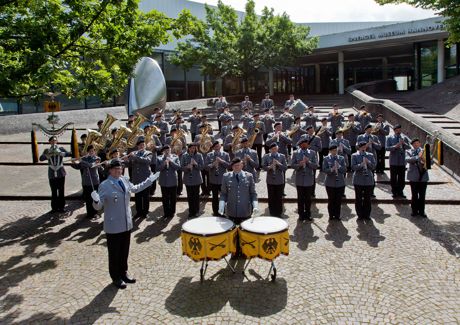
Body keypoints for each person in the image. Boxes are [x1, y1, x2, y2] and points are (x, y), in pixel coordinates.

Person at [91, 159, 158, 289]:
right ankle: (115, 277)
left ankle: (124, 273)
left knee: (124, 251)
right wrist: (95, 200)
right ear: (110, 170)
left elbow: (136, 188)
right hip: (114, 225)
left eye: (120, 168)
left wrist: (150, 180)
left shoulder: (124, 180)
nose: (119, 170)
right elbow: (98, 206)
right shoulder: (105, 185)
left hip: (126, 223)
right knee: (114, 252)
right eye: (116, 169)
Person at [219, 158, 259, 225]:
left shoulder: (249, 176)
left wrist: (255, 206)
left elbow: (253, 194)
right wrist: (221, 205)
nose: (237, 167)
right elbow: (223, 194)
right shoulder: (226, 176)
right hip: (231, 211)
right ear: (232, 166)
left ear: (242, 165)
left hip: (245, 210)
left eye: (239, 165)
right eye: (235, 165)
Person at [39, 136, 72, 213]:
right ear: (49, 142)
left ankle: (61, 207)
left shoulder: (60, 148)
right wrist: (48, 155)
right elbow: (41, 158)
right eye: (52, 141)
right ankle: (54, 208)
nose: (54, 142)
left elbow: (70, 154)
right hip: (52, 173)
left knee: (61, 190)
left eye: (55, 141)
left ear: (57, 141)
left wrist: (61, 153)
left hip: (60, 172)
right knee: (53, 191)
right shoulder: (47, 150)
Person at [71, 144, 103, 219]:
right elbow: (78, 167)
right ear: (88, 152)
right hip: (86, 181)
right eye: (90, 151)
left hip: (94, 181)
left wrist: (82, 161)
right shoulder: (84, 159)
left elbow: (91, 165)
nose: (92, 152)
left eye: (93, 151)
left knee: (95, 198)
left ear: (95, 151)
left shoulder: (97, 158)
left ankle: (95, 213)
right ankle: (89, 213)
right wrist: (73, 162)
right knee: (88, 198)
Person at [124, 137, 152, 218]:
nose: (141, 146)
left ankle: (145, 212)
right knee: (138, 196)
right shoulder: (134, 153)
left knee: (146, 196)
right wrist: (126, 160)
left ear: (145, 146)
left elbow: (147, 161)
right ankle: (138, 212)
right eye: (140, 145)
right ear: (137, 146)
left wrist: (135, 157)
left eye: (143, 145)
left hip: (145, 178)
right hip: (136, 178)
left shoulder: (148, 153)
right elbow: (129, 165)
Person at [291, 138, 318, 221]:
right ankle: (301, 214)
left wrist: (308, 162)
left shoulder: (312, 153)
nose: (305, 145)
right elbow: (292, 165)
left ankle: (308, 214)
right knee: (300, 198)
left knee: (308, 199)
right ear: (300, 145)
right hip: (300, 179)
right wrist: (299, 164)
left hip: (309, 179)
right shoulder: (296, 153)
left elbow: (316, 165)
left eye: (306, 144)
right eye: (303, 144)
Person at [351, 141, 376, 221]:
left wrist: (368, 162)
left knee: (367, 198)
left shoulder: (370, 155)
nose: (363, 148)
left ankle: (367, 214)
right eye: (362, 147)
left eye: (365, 147)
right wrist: (361, 164)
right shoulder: (354, 155)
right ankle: (360, 214)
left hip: (368, 179)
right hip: (358, 179)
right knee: (358, 198)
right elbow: (353, 167)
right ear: (359, 147)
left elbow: (373, 167)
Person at [322, 143, 347, 221]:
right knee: (331, 200)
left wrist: (339, 166)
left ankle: (337, 215)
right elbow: (324, 170)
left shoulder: (341, 158)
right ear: (330, 151)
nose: (334, 152)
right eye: (333, 151)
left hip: (340, 182)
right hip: (330, 182)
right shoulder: (326, 158)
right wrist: (332, 169)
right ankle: (331, 215)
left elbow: (344, 170)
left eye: (336, 150)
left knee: (338, 200)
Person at [262, 143, 288, 217]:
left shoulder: (282, 156)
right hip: (270, 180)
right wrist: (269, 167)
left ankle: (279, 213)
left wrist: (279, 164)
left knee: (279, 197)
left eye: (275, 149)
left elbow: (285, 168)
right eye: (272, 149)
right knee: (271, 197)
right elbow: (263, 166)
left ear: (277, 149)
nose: (274, 150)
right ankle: (272, 212)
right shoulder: (266, 156)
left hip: (279, 179)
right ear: (270, 150)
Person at [206, 141, 231, 216]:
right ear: (213, 148)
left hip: (223, 180)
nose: (217, 147)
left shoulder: (225, 154)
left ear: (220, 146)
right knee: (215, 197)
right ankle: (215, 212)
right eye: (215, 146)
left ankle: (223, 211)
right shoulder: (209, 155)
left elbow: (229, 166)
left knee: (223, 196)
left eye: (218, 146)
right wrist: (213, 164)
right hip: (213, 179)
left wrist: (222, 161)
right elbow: (206, 167)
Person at [386, 124, 411, 198]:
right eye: (397, 130)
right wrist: (395, 146)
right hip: (393, 160)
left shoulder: (404, 138)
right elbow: (387, 148)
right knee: (393, 177)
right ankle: (394, 192)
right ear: (394, 130)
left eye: (400, 130)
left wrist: (404, 143)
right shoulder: (389, 137)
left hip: (402, 161)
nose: (399, 131)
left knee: (401, 178)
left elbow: (409, 147)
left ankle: (400, 191)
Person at [405, 138, 429, 218]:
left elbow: (431, 162)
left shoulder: (425, 151)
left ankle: (422, 211)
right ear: (412, 145)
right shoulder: (409, 151)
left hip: (423, 176)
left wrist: (425, 159)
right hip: (413, 176)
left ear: (420, 144)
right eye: (414, 144)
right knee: (414, 195)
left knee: (422, 195)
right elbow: (407, 159)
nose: (416, 145)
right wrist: (417, 157)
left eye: (417, 143)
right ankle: (414, 211)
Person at [180, 143, 204, 219]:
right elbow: (181, 167)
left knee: (196, 196)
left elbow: (202, 167)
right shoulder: (184, 156)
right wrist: (187, 167)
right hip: (188, 179)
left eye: (194, 148)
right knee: (190, 196)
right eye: (191, 148)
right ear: (189, 148)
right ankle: (191, 212)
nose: (193, 149)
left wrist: (196, 164)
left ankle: (196, 211)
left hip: (196, 179)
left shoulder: (199, 155)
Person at [157, 145, 181, 219]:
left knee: (173, 198)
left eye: (168, 150)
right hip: (163, 181)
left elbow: (178, 167)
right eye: (166, 150)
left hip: (173, 181)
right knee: (165, 198)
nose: (167, 151)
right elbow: (157, 169)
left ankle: (172, 212)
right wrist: (164, 164)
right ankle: (166, 212)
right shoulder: (159, 158)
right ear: (163, 151)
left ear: (171, 150)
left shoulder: (175, 157)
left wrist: (171, 161)